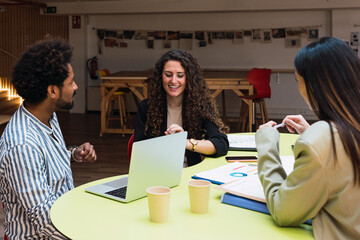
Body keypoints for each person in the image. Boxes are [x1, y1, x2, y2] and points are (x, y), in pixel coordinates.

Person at [255, 37, 360, 239]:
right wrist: (312, 133)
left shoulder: (323, 139)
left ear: (313, 85)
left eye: (298, 80)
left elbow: (283, 211)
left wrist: (267, 145)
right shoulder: (342, 128)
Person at [0, 38, 97, 239]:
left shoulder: (48, 117)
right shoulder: (22, 145)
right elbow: (45, 220)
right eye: (71, 83)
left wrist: (73, 153)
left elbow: (46, 162)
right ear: (52, 91)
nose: (76, 87)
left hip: (66, 222)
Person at [134, 49, 229, 167]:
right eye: (168, 75)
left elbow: (221, 144)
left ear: (189, 78)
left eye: (180, 75)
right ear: (160, 77)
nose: (173, 81)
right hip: (157, 172)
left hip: (190, 173)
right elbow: (138, 151)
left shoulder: (201, 106)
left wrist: (184, 142)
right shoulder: (146, 107)